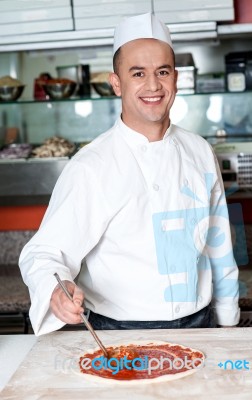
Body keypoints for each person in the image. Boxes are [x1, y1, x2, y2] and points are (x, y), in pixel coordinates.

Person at [19, 13, 240, 336]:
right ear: (116, 83)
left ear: (175, 78)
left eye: (162, 72)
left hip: (201, 325)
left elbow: (219, 245)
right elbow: (45, 253)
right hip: (119, 332)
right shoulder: (90, 166)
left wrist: (229, 321)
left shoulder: (200, 151)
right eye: (138, 73)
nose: (153, 85)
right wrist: (57, 289)